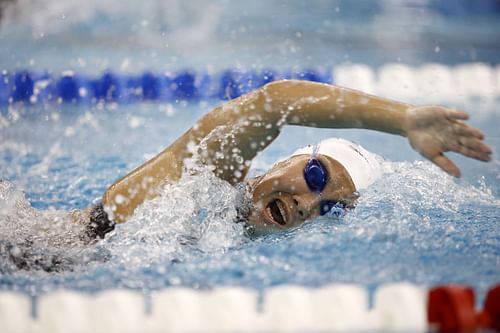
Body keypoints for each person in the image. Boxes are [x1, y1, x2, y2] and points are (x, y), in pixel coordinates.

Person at [74, 79, 492, 239]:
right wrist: (402, 119)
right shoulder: (208, 177)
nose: (309, 205)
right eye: (315, 175)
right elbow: (273, 103)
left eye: (331, 208)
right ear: (278, 162)